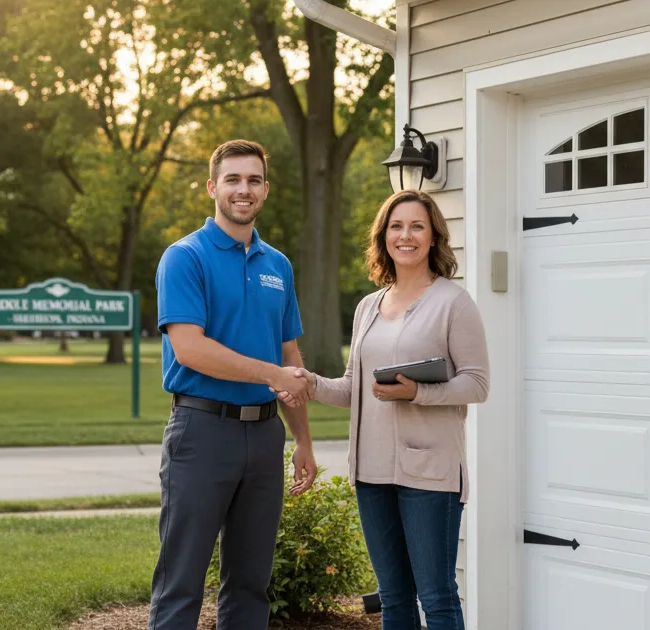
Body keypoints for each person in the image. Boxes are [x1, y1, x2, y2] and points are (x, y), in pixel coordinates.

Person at [276, 189, 489, 630]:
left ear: (433, 238)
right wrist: (311, 385)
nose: (405, 235)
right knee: (393, 599)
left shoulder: (454, 302)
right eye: (396, 226)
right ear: (383, 236)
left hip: (431, 474)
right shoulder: (368, 307)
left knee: (437, 597)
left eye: (416, 226)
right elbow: (355, 387)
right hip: (372, 473)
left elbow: (478, 384)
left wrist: (418, 393)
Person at [148, 139, 319, 630]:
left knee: (250, 583)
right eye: (233, 179)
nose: (244, 189)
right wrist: (270, 374)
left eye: (254, 180)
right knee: (180, 581)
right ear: (212, 187)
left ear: (265, 189)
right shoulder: (185, 257)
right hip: (202, 432)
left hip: (266, 437)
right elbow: (191, 349)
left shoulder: (278, 266)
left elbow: (288, 355)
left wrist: (303, 438)